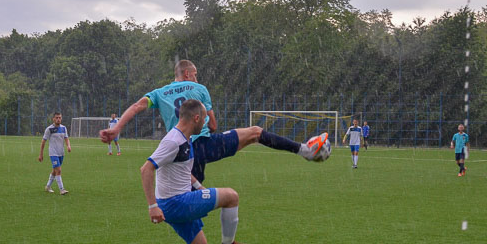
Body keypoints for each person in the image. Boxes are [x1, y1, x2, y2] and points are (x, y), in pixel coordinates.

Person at [100, 60, 321, 184]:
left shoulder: (159, 92)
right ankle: (304, 150)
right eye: (195, 74)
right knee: (255, 133)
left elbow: (137, 106)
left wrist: (117, 128)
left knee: (192, 201)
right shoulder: (199, 89)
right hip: (204, 145)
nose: (197, 78)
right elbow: (213, 125)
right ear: (187, 73)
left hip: (180, 151)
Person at [140, 99, 253, 244]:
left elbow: (183, 171)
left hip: (176, 202)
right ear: (197, 118)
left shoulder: (185, 139)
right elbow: (146, 169)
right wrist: (152, 206)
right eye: (206, 118)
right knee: (231, 196)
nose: (208, 122)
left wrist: (200, 188)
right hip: (176, 203)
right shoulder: (173, 141)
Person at [39, 112, 71, 194]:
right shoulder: (49, 129)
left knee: (55, 171)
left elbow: (66, 138)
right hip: (53, 153)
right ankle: (62, 189)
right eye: (56, 117)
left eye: (59, 117)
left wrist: (68, 146)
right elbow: (43, 142)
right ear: (53, 119)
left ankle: (48, 186)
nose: (58, 119)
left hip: (61, 153)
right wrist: (41, 154)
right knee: (59, 170)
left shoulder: (64, 128)